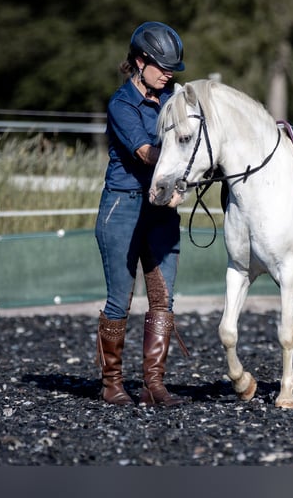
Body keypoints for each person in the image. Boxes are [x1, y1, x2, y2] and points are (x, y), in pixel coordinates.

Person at [94, 21, 189, 407]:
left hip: (160, 211)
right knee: (119, 300)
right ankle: (112, 384)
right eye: (161, 66)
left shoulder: (173, 99)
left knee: (163, 300)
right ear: (139, 61)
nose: (168, 74)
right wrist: (180, 164)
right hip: (123, 207)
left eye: (171, 68)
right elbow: (145, 152)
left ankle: (154, 384)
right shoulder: (121, 104)